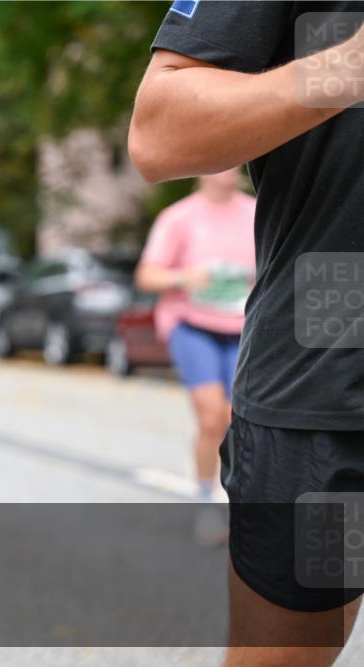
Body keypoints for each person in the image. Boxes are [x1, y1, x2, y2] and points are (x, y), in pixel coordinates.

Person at [129, 4, 363, 665]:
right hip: (326, 380)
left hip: (250, 337)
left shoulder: (239, 209)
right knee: (209, 411)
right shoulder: (181, 218)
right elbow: (157, 137)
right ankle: (205, 493)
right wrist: (347, 65)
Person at [136, 167, 255, 545]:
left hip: (243, 327)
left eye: (236, 163)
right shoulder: (179, 217)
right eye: (221, 164)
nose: (230, 171)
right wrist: (183, 278)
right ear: (203, 170)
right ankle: (207, 502)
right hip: (192, 326)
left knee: (238, 420)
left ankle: (240, 501)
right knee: (210, 418)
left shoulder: (257, 211)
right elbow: (146, 275)